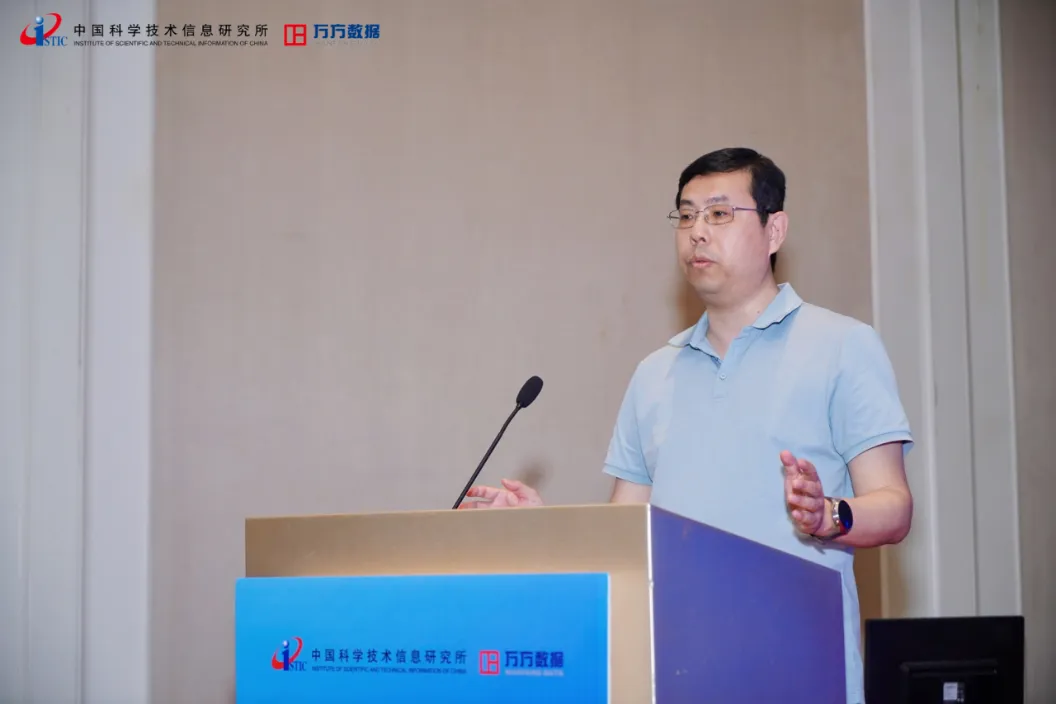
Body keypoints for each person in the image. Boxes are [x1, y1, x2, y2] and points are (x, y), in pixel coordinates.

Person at [459, 147, 913, 704]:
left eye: (720, 214)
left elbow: (894, 507)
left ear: (774, 230)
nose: (697, 231)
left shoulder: (842, 346)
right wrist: (545, 529)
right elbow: (626, 539)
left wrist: (828, 516)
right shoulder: (654, 374)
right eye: (687, 214)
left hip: (797, 675)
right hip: (673, 674)